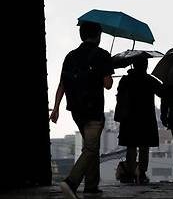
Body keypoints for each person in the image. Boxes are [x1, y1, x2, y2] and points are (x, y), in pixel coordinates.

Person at [49, 21, 113, 199]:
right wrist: (105, 72)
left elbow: (62, 84)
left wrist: (55, 109)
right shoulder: (102, 55)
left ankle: (92, 186)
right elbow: (108, 84)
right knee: (91, 149)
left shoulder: (70, 56)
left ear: (82, 35)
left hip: (76, 109)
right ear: (98, 36)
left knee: (90, 146)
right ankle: (71, 182)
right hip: (93, 109)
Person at [115, 57, 164, 184]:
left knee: (131, 147)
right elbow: (163, 92)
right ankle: (142, 173)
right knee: (144, 147)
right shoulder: (149, 80)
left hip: (129, 118)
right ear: (145, 66)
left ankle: (131, 172)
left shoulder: (125, 80)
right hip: (146, 119)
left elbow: (119, 97)